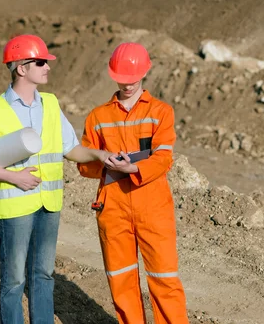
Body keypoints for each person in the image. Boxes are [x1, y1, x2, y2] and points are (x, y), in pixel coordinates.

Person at [0, 34, 113, 324]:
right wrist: (12, 177)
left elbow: (70, 149)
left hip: (49, 205)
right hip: (15, 207)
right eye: (40, 62)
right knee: (14, 279)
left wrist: (98, 154)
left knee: (44, 274)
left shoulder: (51, 104)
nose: (48, 67)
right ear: (21, 68)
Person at [77, 42, 189, 324]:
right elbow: (84, 164)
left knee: (164, 279)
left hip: (152, 205)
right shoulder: (98, 117)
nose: (127, 85)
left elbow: (164, 158)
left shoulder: (161, 112)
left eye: (133, 79)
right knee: (121, 280)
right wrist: (102, 160)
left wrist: (133, 167)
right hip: (113, 207)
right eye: (122, 79)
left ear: (144, 74)